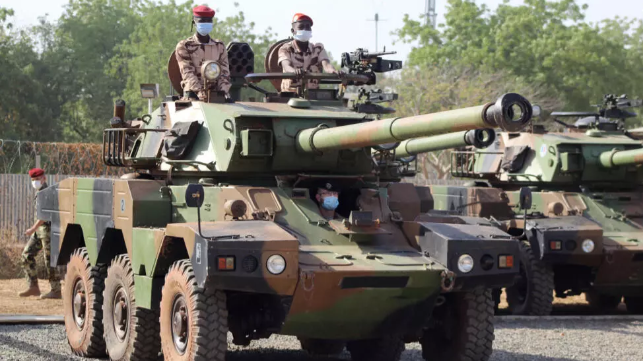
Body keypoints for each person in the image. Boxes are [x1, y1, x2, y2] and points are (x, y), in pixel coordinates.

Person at [19, 168, 61, 299]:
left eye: (37, 179)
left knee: (49, 260)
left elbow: (45, 215)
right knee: (26, 254)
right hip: (39, 231)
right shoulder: (40, 192)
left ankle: (56, 290)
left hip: (47, 230)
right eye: (33, 180)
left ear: (44, 178)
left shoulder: (47, 192)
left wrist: (32, 229)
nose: (35, 182)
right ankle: (33, 287)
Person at [175, 5, 231, 101]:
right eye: (201, 21)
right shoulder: (185, 46)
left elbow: (224, 73)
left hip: (216, 96)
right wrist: (200, 92)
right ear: (194, 22)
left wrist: (223, 92)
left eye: (208, 21)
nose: (205, 24)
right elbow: (188, 73)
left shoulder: (219, 46)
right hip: (192, 96)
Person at [278, 13, 342, 92]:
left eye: (308, 27)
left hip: (313, 95)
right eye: (301, 27)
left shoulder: (318, 49)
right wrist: (294, 71)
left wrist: (333, 71)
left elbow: (326, 65)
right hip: (289, 95)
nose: (305, 30)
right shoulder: (286, 49)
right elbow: (286, 66)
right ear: (293, 31)